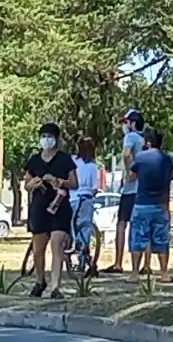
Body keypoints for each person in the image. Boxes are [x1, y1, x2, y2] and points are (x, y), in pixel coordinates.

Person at [23, 123, 78, 298]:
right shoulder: (34, 160)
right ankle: (40, 281)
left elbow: (75, 183)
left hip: (59, 206)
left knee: (57, 243)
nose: (46, 140)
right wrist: (34, 183)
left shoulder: (64, 159)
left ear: (57, 139)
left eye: (50, 136)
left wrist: (59, 181)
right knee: (38, 249)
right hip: (39, 208)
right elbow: (27, 184)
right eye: (43, 136)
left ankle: (55, 286)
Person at [128, 127, 173, 283]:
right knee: (162, 239)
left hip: (142, 202)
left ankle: (135, 273)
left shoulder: (141, 158)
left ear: (148, 142)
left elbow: (131, 176)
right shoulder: (167, 159)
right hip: (161, 203)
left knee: (138, 238)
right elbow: (170, 178)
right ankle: (164, 273)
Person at [108, 108, 146, 274]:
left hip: (130, 189)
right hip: (143, 188)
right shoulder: (144, 140)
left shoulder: (130, 137)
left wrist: (131, 171)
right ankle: (145, 264)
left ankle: (118, 262)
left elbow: (125, 154)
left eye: (126, 122)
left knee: (122, 224)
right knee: (141, 226)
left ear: (133, 123)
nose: (124, 125)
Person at [70, 136, 102, 275]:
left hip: (72, 198)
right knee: (85, 229)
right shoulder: (93, 166)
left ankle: (72, 248)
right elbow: (95, 187)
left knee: (70, 227)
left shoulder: (73, 161)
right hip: (87, 198)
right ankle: (83, 257)